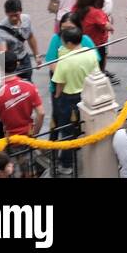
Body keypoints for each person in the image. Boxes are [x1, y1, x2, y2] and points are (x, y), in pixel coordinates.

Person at [50, 25, 98, 170]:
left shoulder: (65, 60)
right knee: (88, 127)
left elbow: (59, 83)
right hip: (88, 96)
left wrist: (57, 97)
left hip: (68, 99)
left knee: (66, 131)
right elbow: (96, 74)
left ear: (69, 43)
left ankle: (67, 164)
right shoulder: (90, 54)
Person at [0, 0, 42, 82]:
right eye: (11, 16)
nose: (14, 18)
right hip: (11, 66)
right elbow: (3, 56)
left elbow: (30, 37)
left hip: (24, 59)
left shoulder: (26, 19)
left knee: (28, 83)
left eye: (16, 15)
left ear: (21, 11)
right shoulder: (0, 32)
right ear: (6, 13)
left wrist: (37, 56)